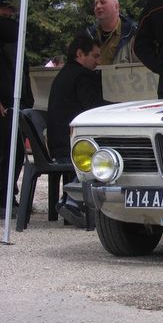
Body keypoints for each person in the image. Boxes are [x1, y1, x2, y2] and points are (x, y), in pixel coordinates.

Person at [47, 35, 110, 225]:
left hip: (57, 145)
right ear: (80, 54)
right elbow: (94, 107)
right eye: (95, 56)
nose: (98, 62)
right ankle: (72, 201)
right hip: (70, 148)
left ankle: (69, 200)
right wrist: (122, 107)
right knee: (106, 154)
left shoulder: (63, 74)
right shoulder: (82, 75)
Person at [0, 0, 34, 213]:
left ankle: (8, 194)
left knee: (16, 152)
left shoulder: (12, 43)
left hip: (15, 103)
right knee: (6, 152)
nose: (9, 22)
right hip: (3, 105)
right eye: (5, 17)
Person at [86, 0, 138, 65]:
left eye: (103, 2)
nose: (98, 6)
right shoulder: (88, 35)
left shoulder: (134, 33)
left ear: (116, 7)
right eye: (96, 4)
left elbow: (143, 68)